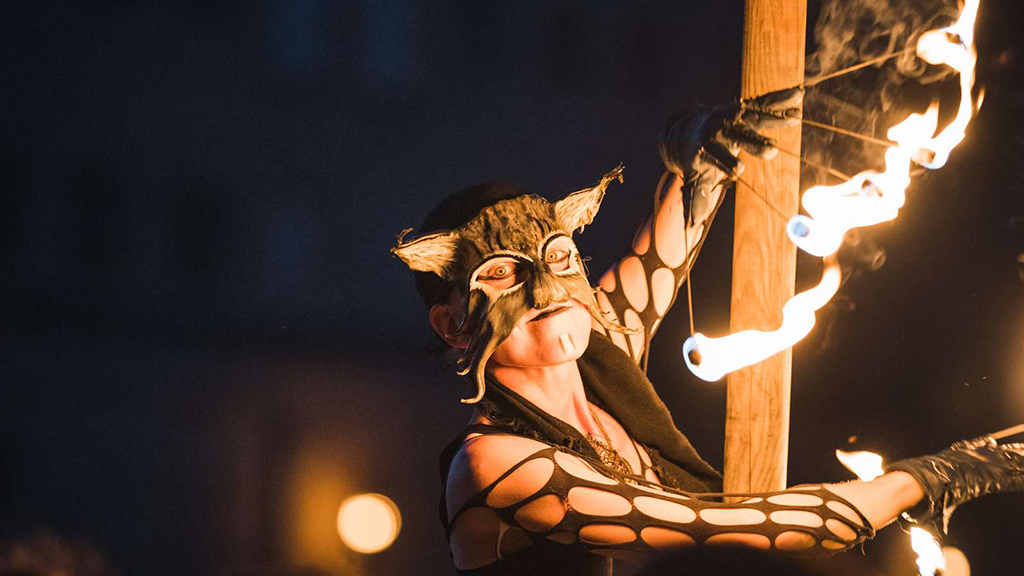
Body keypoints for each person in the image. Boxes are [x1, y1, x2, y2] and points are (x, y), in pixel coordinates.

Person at [391, 88, 1024, 575]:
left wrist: (699, 144)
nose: (547, 290)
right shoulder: (493, 464)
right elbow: (724, 534)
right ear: (451, 325)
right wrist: (938, 474)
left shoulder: (603, 354)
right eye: (503, 273)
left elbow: (687, 207)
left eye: (558, 257)